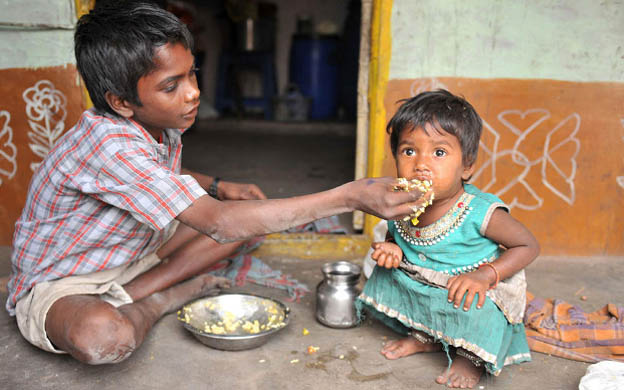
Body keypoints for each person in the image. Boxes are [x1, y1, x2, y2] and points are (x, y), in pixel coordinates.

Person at [5, 1, 429, 365]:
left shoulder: (158, 122)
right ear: (121, 102)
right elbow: (220, 223)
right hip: (65, 281)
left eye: (192, 75)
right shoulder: (107, 143)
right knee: (103, 337)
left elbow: (161, 178)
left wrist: (219, 185)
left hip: (131, 247)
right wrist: (350, 195)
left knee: (251, 221)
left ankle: (132, 290)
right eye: (172, 86)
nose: (192, 93)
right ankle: (159, 298)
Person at [355, 90, 540, 389]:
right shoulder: (402, 201)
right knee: (389, 276)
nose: (421, 164)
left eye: (439, 153)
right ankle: (425, 336)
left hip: (469, 287)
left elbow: (528, 245)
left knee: (475, 309)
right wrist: (390, 247)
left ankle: (470, 357)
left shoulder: (478, 211)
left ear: (467, 165)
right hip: (424, 281)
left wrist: (485, 276)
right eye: (409, 151)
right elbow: (396, 233)